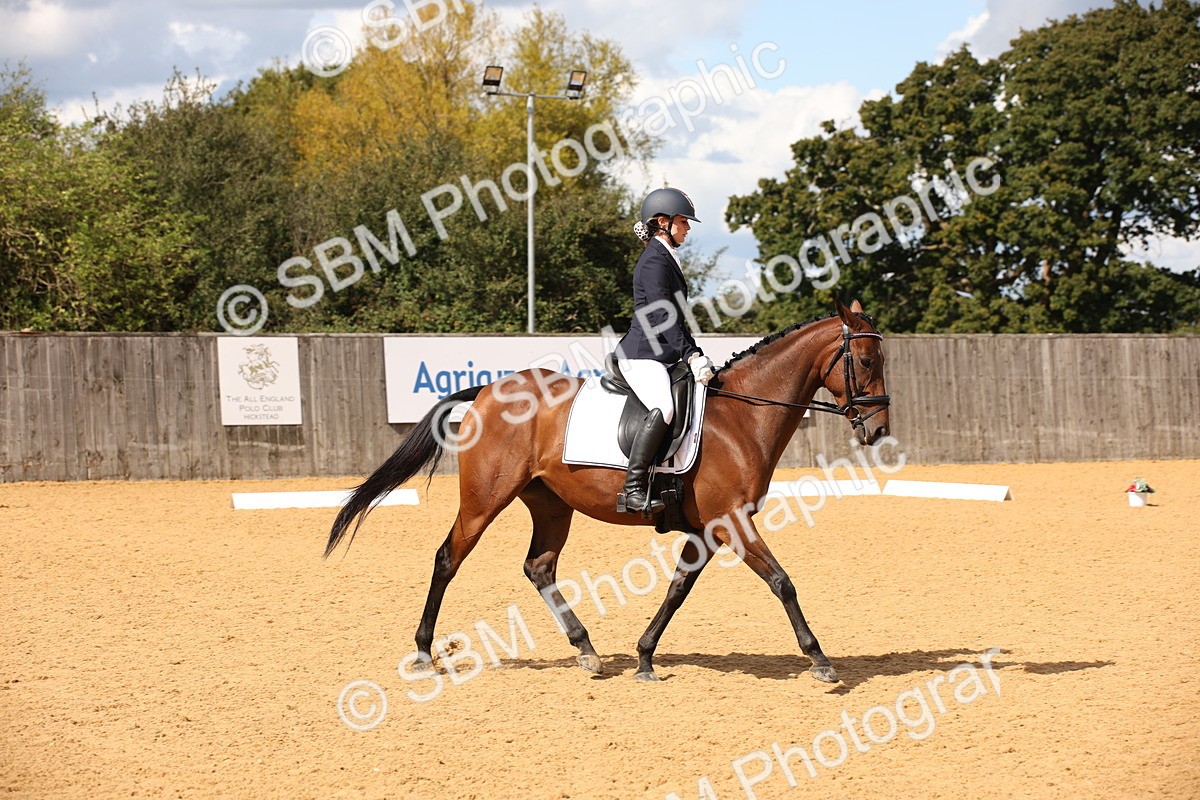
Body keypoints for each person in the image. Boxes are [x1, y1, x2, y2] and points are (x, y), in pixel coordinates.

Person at [613, 187, 715, 514]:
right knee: (664, 407)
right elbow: (660, 316)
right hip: (642, 354)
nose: (688, 228)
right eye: (683, 221)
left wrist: (695, 353)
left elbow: (677, 320)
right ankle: (633, 489)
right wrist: (689, 355)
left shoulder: (666, 256)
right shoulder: (654, 261)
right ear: (662, 222)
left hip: (664, 353)